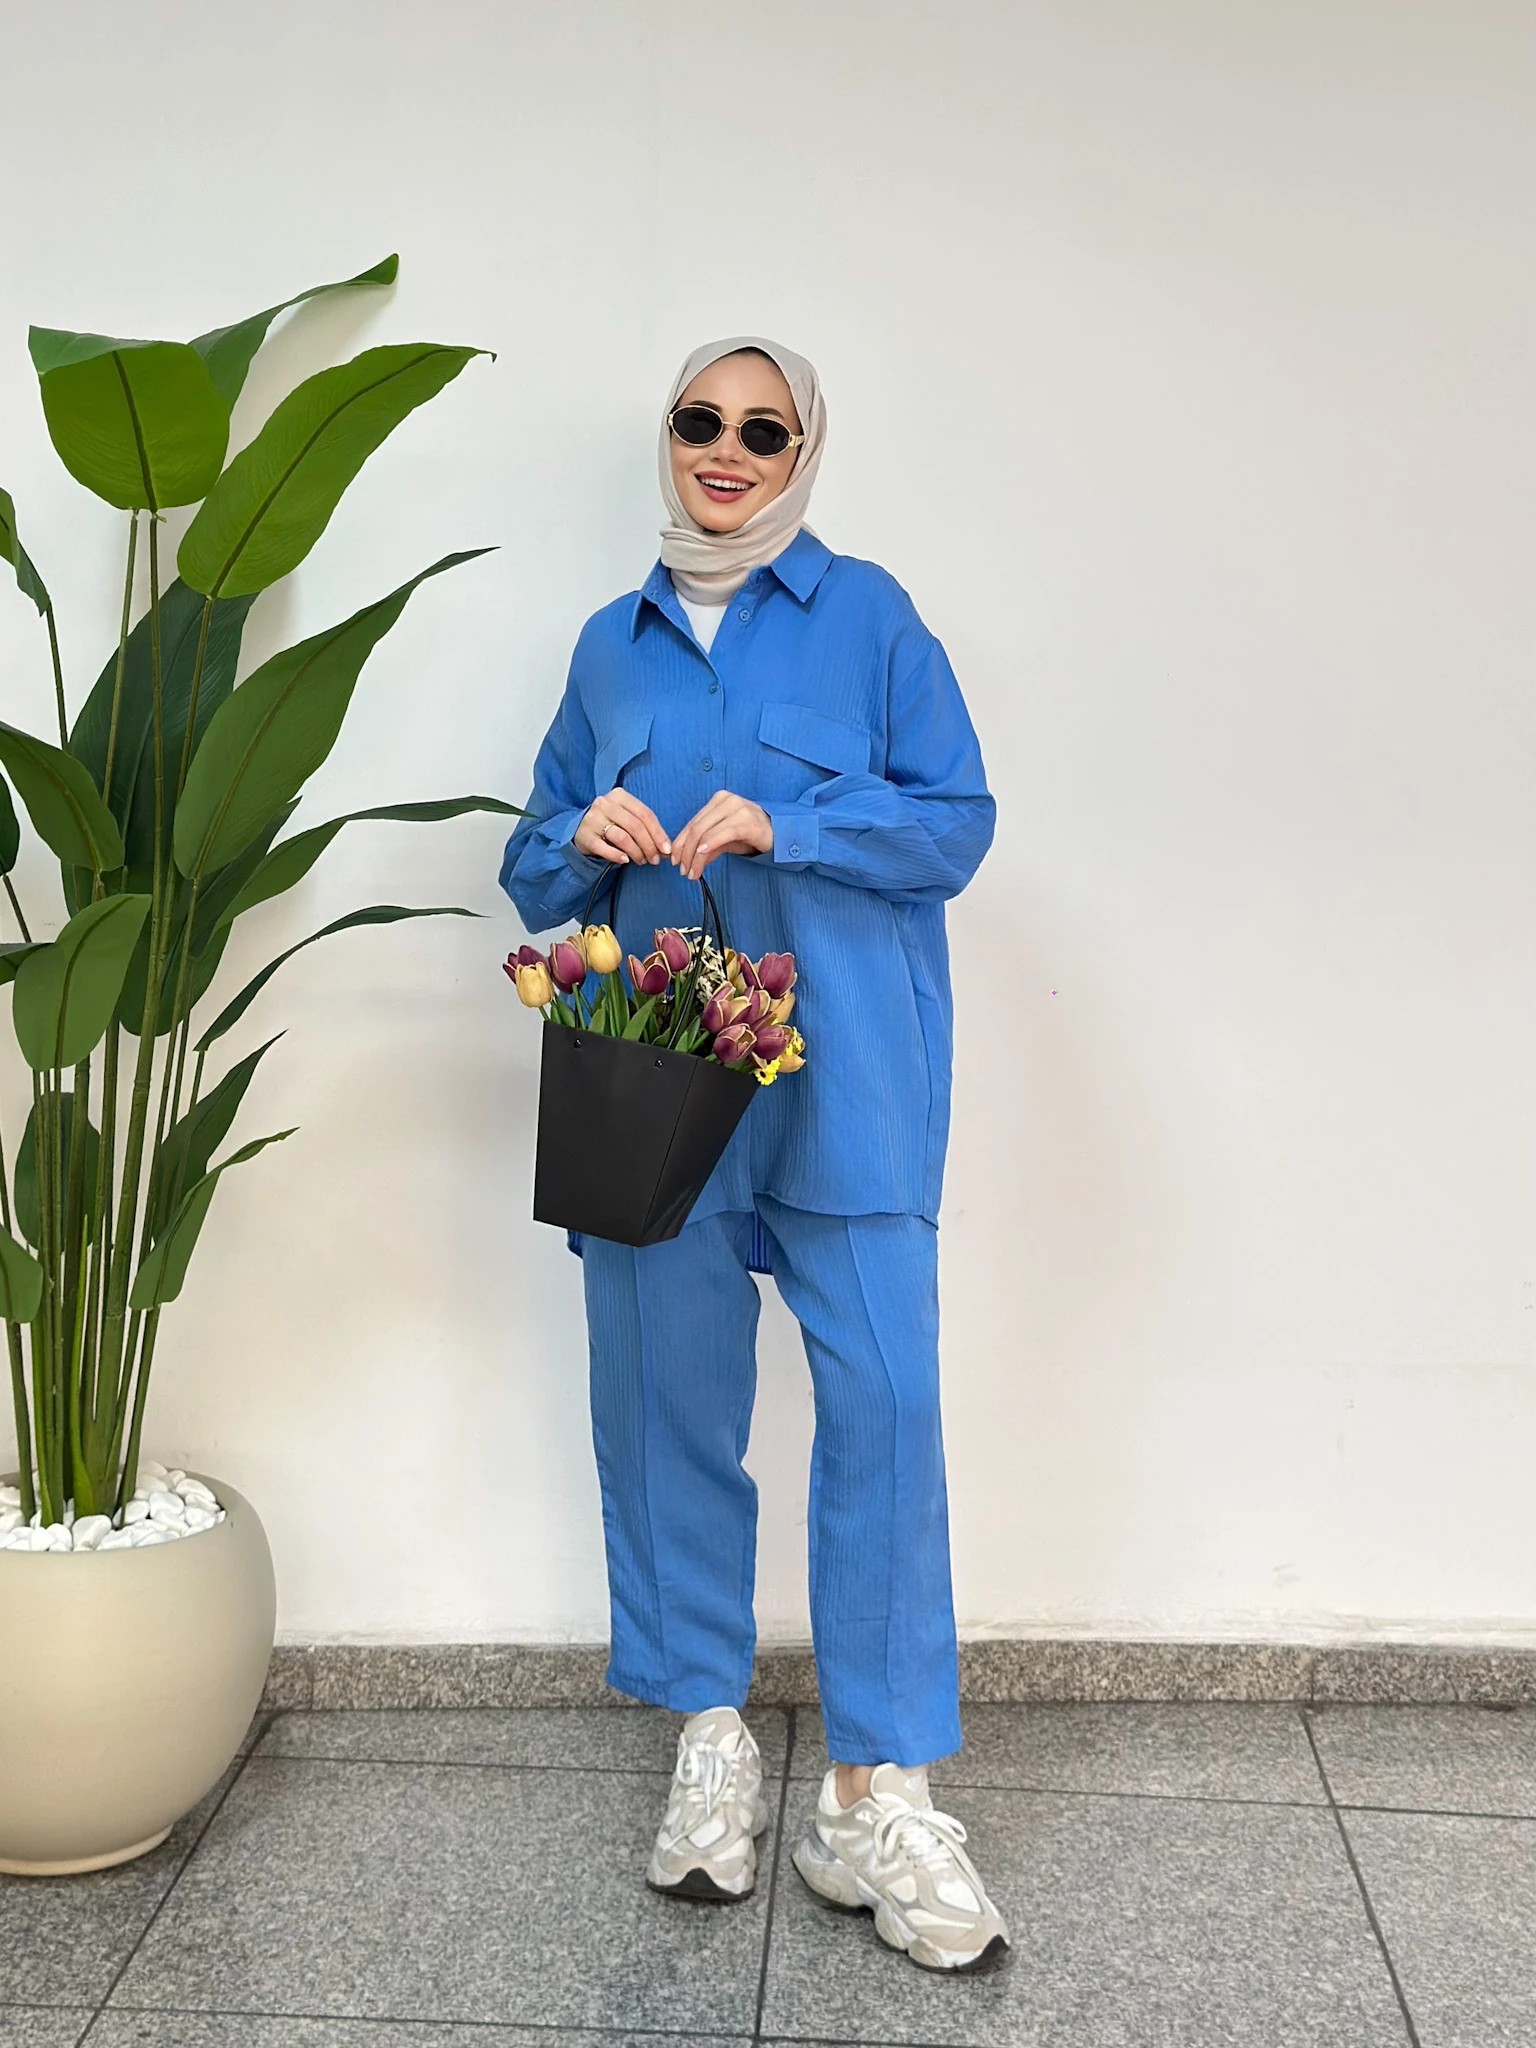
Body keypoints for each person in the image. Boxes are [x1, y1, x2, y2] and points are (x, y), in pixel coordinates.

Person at [500, 336, 1007, 1974]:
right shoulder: (610, 645)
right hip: (663, 1082)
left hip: (850, 1080)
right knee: (665, 1406)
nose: (727, 449)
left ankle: (875, 1790)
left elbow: (957, 823)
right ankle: (708, 1733)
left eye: (763, 429)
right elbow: (532, 860)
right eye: (699, 421)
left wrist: (796, 822)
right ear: (670, 439)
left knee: (889, 1406)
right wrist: (575, 836)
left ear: (804, 451)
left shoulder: (872, 617)